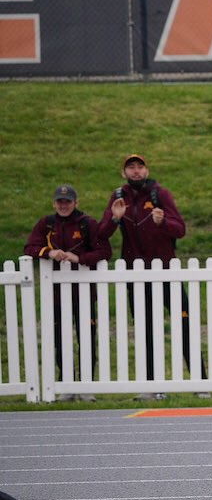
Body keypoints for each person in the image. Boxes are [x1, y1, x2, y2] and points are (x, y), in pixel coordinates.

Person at [98, 154, 189, 399]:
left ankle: (200, 384)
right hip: (136, 276)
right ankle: (151, 385)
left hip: (166, 272)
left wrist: (163, 222)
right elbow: (101, 233)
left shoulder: (160, 194)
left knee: (185, 326)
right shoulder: (118, 197)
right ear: (124, 173)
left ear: (147, 170)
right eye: (131, 168)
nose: (136, 171)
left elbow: (179, 230)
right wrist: (115, 218)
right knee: (146, 330)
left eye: (140, 167)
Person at [24, 185, 112, 400]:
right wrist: (49, 252)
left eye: (68, 202)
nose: (64, 205)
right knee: (60, 340)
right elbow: (29, 248)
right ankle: (66, 386)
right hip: (55, 294)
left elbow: (104, 252)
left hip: (83, 292)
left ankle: (86, 387)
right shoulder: (47, 224)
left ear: (75, 203)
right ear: (54, 203)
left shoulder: (86, 223)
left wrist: (79, 259)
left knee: (86, 340)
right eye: (60, 202)